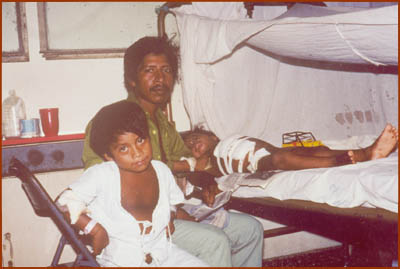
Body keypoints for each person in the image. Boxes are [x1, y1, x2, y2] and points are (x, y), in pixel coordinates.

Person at [82, 36, 263, 267]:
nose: (160, 78)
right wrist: (171, 211)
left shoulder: (163, 124)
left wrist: (205, 179)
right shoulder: (113, 121)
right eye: (150, 70)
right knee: (214, 241)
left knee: (251, 229)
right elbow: (102, 182)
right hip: (134, 227)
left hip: (172, 210)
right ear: (132, 80)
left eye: (166, 70)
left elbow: (189, 163)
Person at [56, 101, 208, 267]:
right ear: (108, 155)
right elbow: (63, 202)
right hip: (121, 261)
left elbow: (171, 202)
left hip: (162, 253)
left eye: (140, 140)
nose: (137, 153)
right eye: (123, 148)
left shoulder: (161, 171)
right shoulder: (104, 174)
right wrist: (94, 228)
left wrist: (168, 218)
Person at [182, 124, 399, 177]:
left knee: (314, 150)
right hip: (257, 164)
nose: (194, 146)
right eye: (190, 148)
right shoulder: (209, 160)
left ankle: (367, 153)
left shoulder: (227, 138)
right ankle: (337, 162)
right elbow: (200, 170)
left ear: (211, 135)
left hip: (268, 150)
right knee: (279, 159)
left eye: (194, 139)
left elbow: (258, 144)